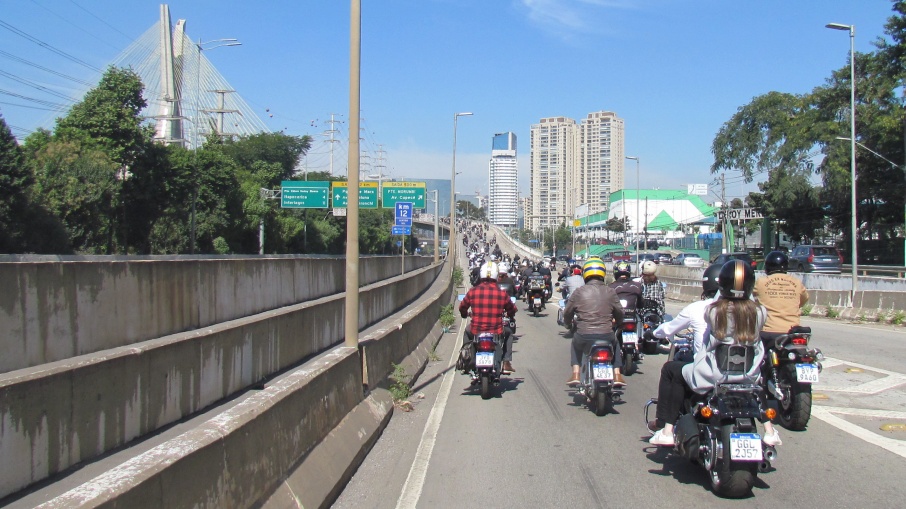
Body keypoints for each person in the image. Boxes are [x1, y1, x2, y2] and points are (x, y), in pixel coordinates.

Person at [648, 260, 782, 447]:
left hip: (714, 374)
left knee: (672, 371)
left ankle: (667, 431)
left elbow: (720, 303)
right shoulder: (760, 313)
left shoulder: (713, 311)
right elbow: (746, 304)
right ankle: (769, 431)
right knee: (756, 389)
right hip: (747, 374)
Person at [563, 257, 627, 387]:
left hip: (583, 335)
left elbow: (567, 313)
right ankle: (617, 374)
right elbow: (620, 312)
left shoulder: (579, 292)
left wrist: (568, 323)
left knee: (575, 344)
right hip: (606, 334)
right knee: (615, 343)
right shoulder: (610, 291)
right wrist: (618, 322)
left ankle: (575, 373)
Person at [459, 261, 518, 374]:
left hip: (476, 329)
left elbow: (462, 307)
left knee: (467, 332)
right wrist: (510, 314)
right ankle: (506, 362)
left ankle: (466, 359)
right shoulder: (501, 293)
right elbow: (512, 308)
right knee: (509, 333)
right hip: (496, 330)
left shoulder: (473, 291)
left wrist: (464, 314)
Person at [753, 251, 809, 350]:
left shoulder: (761, 282)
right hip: (793, 332)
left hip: (769, 331)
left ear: (767, 267)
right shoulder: (796, 282)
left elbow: (750, 299)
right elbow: (804, 299)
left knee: (757, 357)